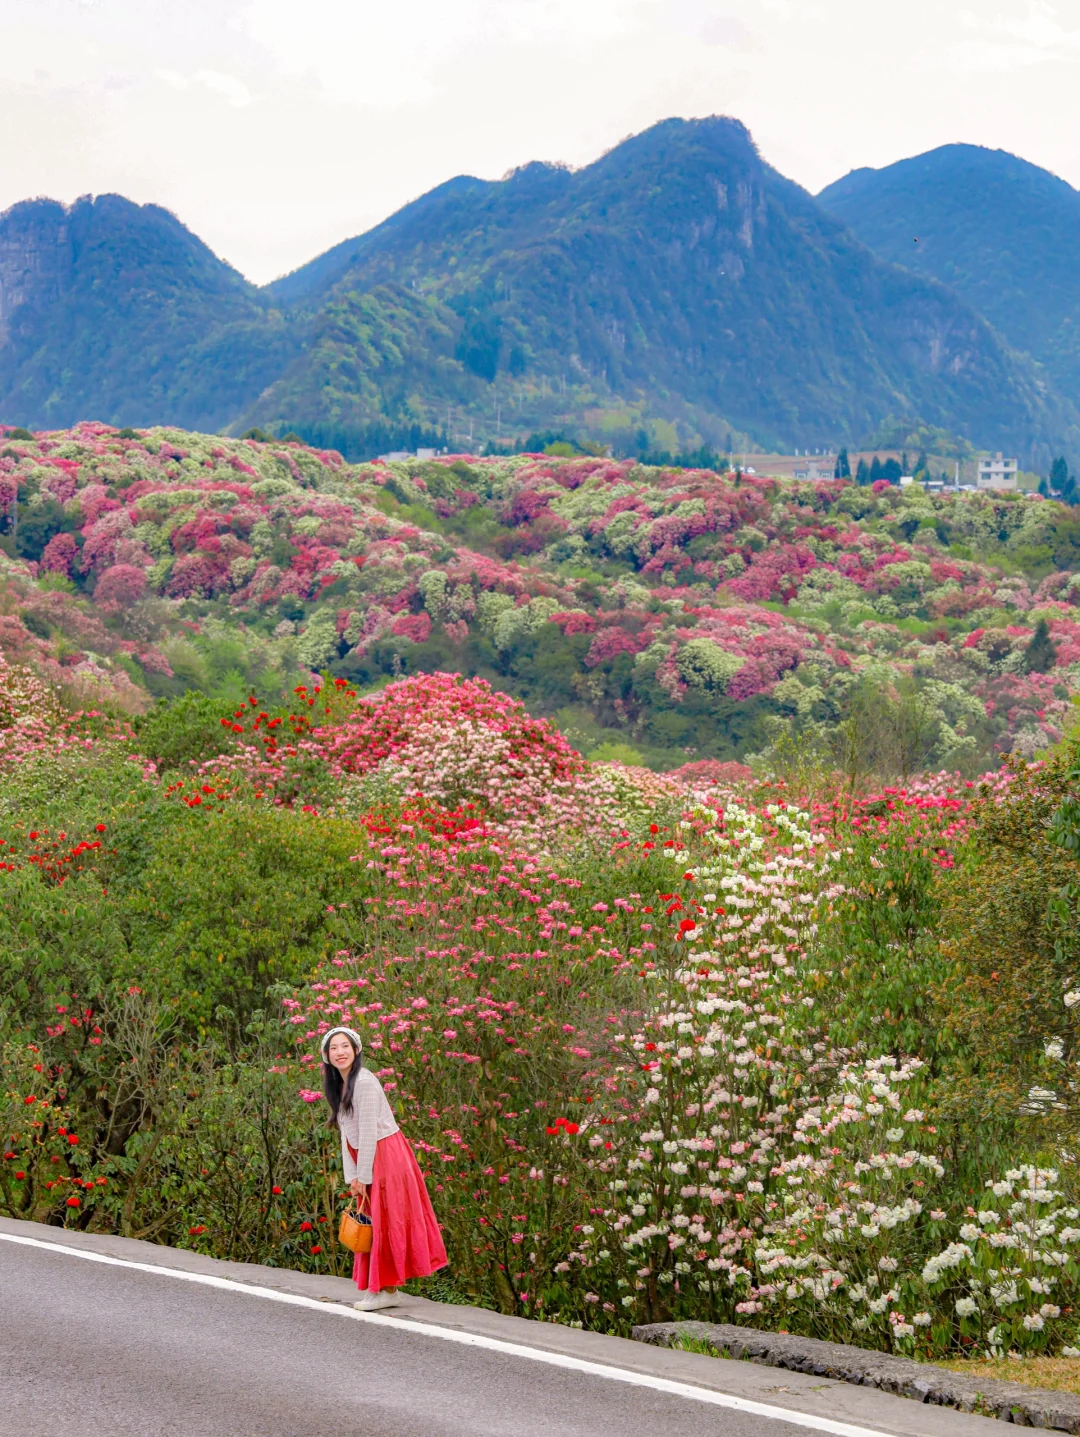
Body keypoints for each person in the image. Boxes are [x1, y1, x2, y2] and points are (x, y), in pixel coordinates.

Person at [321, 1026, 448, 1312]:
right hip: (369, 1155)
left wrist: (363, 1177)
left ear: (356, 1050)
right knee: (377, 1220)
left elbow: (367, 1133)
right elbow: (346, 1134)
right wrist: (352, 1175)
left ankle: (386, 1290)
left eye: (345, 1046)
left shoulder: (364, 1082)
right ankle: (383, 1289)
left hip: (384, 1154)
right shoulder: (340, 1085)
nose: (340, 1052)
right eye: (333, 1048)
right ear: (327, 1056)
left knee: (386, 1219)